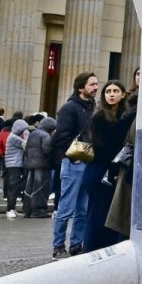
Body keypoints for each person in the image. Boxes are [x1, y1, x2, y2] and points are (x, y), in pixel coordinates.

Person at [79, 79, 137, 252]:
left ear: (122, 94)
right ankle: (91, 250)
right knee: (97, 213)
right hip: (99, 170)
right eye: (108, 91)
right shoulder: (101, 116)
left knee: (109, 215)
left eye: (115, 91)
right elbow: (108, 145)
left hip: (112, 170)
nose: (111, 95)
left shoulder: (123, 114)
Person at [48, 74, 98, 256]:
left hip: (88, 161)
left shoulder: (93, 107)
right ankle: (58, 246)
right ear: (80, 88)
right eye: (92, 84)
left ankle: (76, 244)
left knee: (83, 209)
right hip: (73, 162)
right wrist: (71, 156)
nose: (95, 87)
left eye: (96, 84)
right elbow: (61, 135)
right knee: (66, 206)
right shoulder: (69, 108)